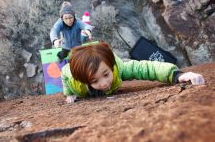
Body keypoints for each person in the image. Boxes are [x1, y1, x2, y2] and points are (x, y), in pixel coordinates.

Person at [61, 41, 205, 103]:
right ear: (84, 79)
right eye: (94, 81)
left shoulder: (119, 68)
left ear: (111, 67)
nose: (104, 83)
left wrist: (176, 75)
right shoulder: (75, 79)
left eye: (106, 75)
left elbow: (145, 68)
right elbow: (63, 73)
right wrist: (69, 93)